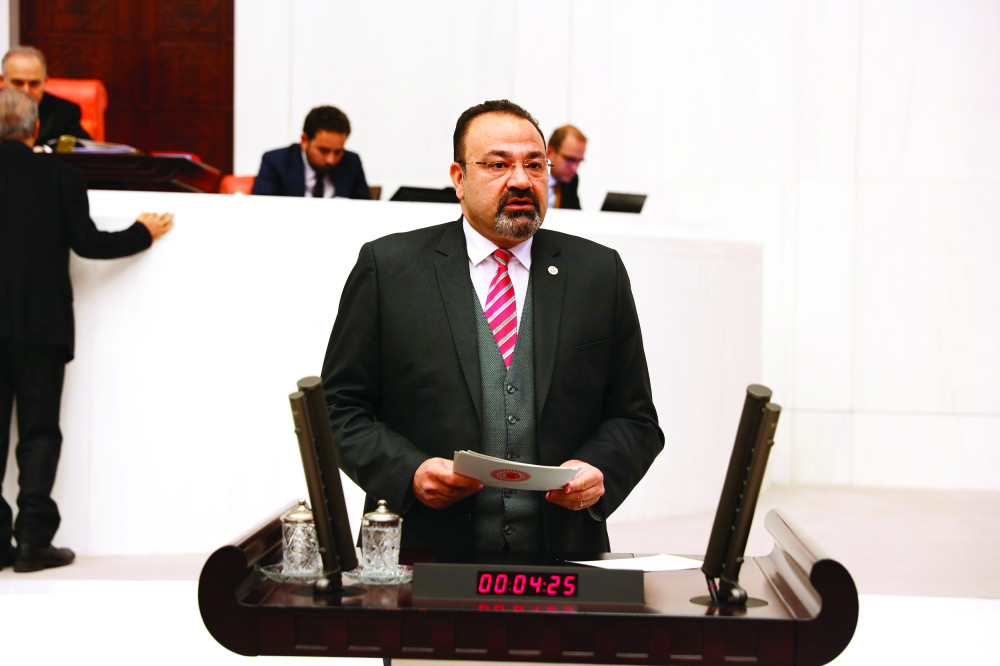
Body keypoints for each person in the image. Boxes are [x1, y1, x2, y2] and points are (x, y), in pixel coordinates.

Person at [321, 100, 662, 553]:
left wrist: (600, 469)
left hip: (563, 559)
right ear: (459, 179)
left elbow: (635, 419)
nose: (521, 180)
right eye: (498, 164)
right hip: (424, 559)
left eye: (535, 165)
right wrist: (409, 473)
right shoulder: (388, 269)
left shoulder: (599, 273)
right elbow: (338, 409)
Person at [0, 89, 174, 572]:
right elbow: (89, 244)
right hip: (42, 325)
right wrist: (143, 232)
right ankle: (33, 540)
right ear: (36, 129)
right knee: (39, 433)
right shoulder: (61, 176)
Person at [251, 105, 371, 199]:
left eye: (338, 152)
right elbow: (261, 208)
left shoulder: (352, 162)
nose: (331, 160)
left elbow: (365, 208)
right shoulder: (276, 161)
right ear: (304, 141)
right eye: (323, 150)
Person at [0, 46, 91, 147]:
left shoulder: (64, 113)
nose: (26, 91)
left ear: (45, 82)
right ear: (2, 80)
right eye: (18, 83)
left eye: (34, 84)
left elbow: (88, 151)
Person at [546, 124, 587, 210]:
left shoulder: (572, 180)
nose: (575, 168)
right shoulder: (529, 178)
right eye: (570, 159)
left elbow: (575, 215)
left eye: (579, 161)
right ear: (549, 152)